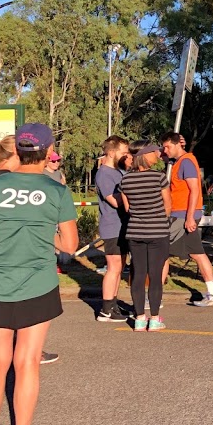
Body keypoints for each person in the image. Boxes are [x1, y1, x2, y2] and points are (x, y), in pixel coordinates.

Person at [0, 123, 78, 425]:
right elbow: (70, 246)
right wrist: (43, 234)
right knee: (27, 363)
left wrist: (6, 226)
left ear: (19, 152)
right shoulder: (57, 190)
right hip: (37, 285)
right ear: (46, 153)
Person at [0, 137, 59, 366]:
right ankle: (31, 352)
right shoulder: (19, 184)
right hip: (27, 268)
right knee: (27, 358)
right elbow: (68, 244)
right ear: (15, 156)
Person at [159, 132, 213, 306]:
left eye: (168, 147)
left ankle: (155, 296)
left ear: (177, 145)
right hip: (180, 214)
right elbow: (160, 155)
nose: (165, 150)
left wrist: (189, 217)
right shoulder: (178, 161)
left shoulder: (186, 161)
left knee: (164, 252)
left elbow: (195, 190)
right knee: (195, 253)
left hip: (183, 215)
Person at [119, 142, 172, 331]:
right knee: (155, 276)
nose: (158, 154)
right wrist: (157, 216)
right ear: (145, 155)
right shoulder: (159, 177)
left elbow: (127, 208)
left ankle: (140, 318)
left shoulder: (125, 180)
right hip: (157, 231)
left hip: (135, 232)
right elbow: (168, 205)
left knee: (138, 274)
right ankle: (155, 318)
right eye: (154, 152)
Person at [95, 135, 130, 322]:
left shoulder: (119, 172)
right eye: (122, 152)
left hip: (123, 226)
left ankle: (113, 305)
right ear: (110, 152)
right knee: (114, 267)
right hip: (112, 227)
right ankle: (106, 309)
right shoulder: (104, 174)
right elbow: (114, 201)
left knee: (120, 267)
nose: (126, 156)